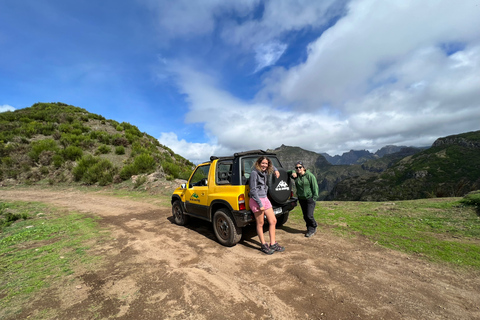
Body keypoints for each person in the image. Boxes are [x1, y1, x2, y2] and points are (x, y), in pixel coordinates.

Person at [249, 156, 285, 254]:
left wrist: (276, 170)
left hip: (265, 198)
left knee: (273, 221)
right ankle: (264, 245)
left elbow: (272, 167)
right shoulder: (254, 173)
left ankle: (272, 243)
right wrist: (260, 204)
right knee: (260, 223)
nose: (264, 165)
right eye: (263, 163)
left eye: (266, 163)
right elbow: (253, 190)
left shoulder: (265, 172)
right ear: (258, 163)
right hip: (257, 200)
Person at [289, 161, 319, 237]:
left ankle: (314, 226)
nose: (298, 169)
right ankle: (309, 228)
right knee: (305, 216)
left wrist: (314, 198)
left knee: (309, 215)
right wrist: (293, 171)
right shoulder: (296, 176)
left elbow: (315, 187)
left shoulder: (310, 176)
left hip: (309, 199)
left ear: (304, 168)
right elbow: (287, 172)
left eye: (300, 167)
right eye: (296, 168)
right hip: (301, 199)